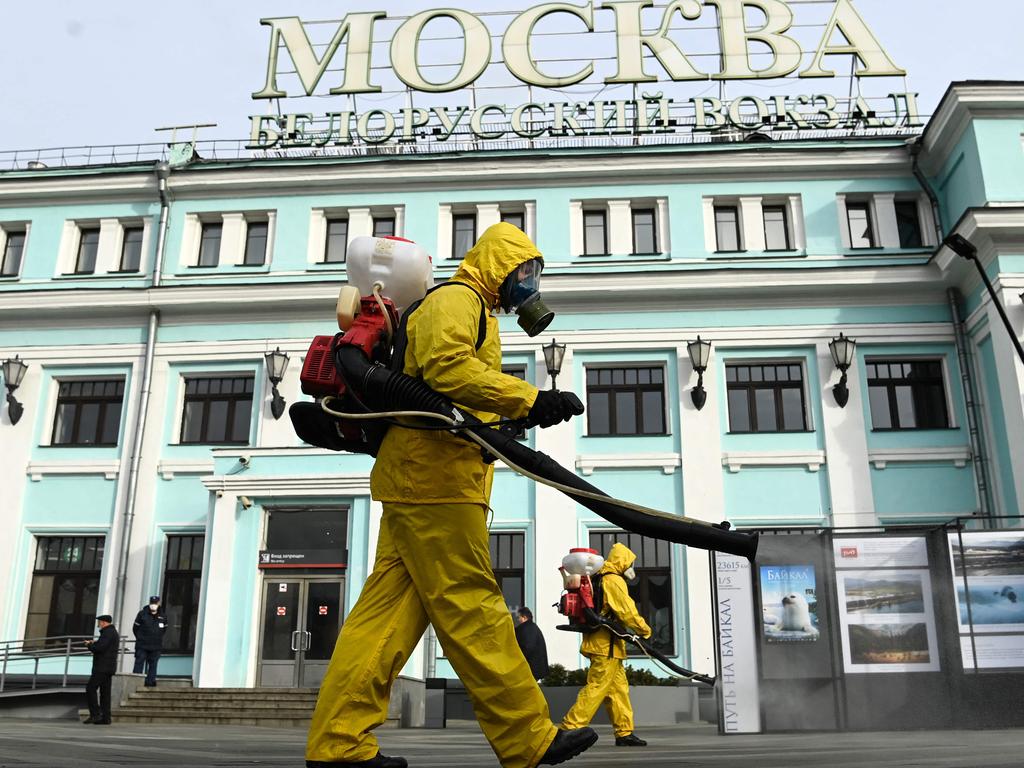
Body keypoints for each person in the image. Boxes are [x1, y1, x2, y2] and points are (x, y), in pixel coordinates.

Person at [306, 223, 594, 768]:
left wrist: (498, 430)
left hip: (424, 478)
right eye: (525, 272)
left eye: (536, 275)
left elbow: (449, 393)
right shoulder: (458, 299)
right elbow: (445, 368)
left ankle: (338, 747)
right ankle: (527, 738)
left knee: (382, 622)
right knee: (472, 604)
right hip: (435, 485)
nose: (530, 285)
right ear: (499, 267)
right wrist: (526, 399)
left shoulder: (472, 310)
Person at [561, 542, 651, 748]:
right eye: (630, 563)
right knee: (597, 687)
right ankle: (570, 728)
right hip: (606, 646)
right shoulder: (613, 580)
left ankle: (624, 733)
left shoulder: (598, 577)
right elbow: (626, 610)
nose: (631, 568)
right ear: (622, 562)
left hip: (608, 644)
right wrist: (645, 630)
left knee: (618, 690)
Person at [84, 614, 119, 725]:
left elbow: (100, 648)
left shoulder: (108, 633)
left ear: (104, 622)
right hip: (108, 667)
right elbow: (104, 645)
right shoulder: (111, 632)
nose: (98, 624)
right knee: (105, 693)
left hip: (102, 667)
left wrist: (89, 646)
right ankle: (106, 717)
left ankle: (95, 714)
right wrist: (95, 643)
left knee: (90, 688)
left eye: (99, 622)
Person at [132, 595, 167, 687]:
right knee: (139, 663)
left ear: (158, 603)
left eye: (155, 603)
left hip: (156, 646)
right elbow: (135, 628)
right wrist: (140, 638)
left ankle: (150, 682)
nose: (153, 605)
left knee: (153, 664)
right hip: (142, 645)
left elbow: (164, 630)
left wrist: (157, 638)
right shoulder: (142, 614)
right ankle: (136, 683)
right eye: (152, 603)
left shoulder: (163, 615)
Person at [515, 607, 550, 681]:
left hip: (529, 669)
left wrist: (517, 661)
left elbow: (528, 647)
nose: (518, 620)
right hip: (535, 669)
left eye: (519, 618)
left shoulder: (526, 629)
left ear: (524, 617)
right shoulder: (533, 627)